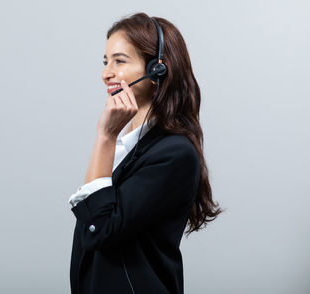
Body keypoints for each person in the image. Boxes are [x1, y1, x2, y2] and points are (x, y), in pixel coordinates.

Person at [68, 12, 223, 294]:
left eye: (120, 61)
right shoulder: (129, 147)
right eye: (106, 62)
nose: (106, 73)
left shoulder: (174, 153)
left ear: (157, 70)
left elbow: (98, 228)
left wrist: (104, 136)